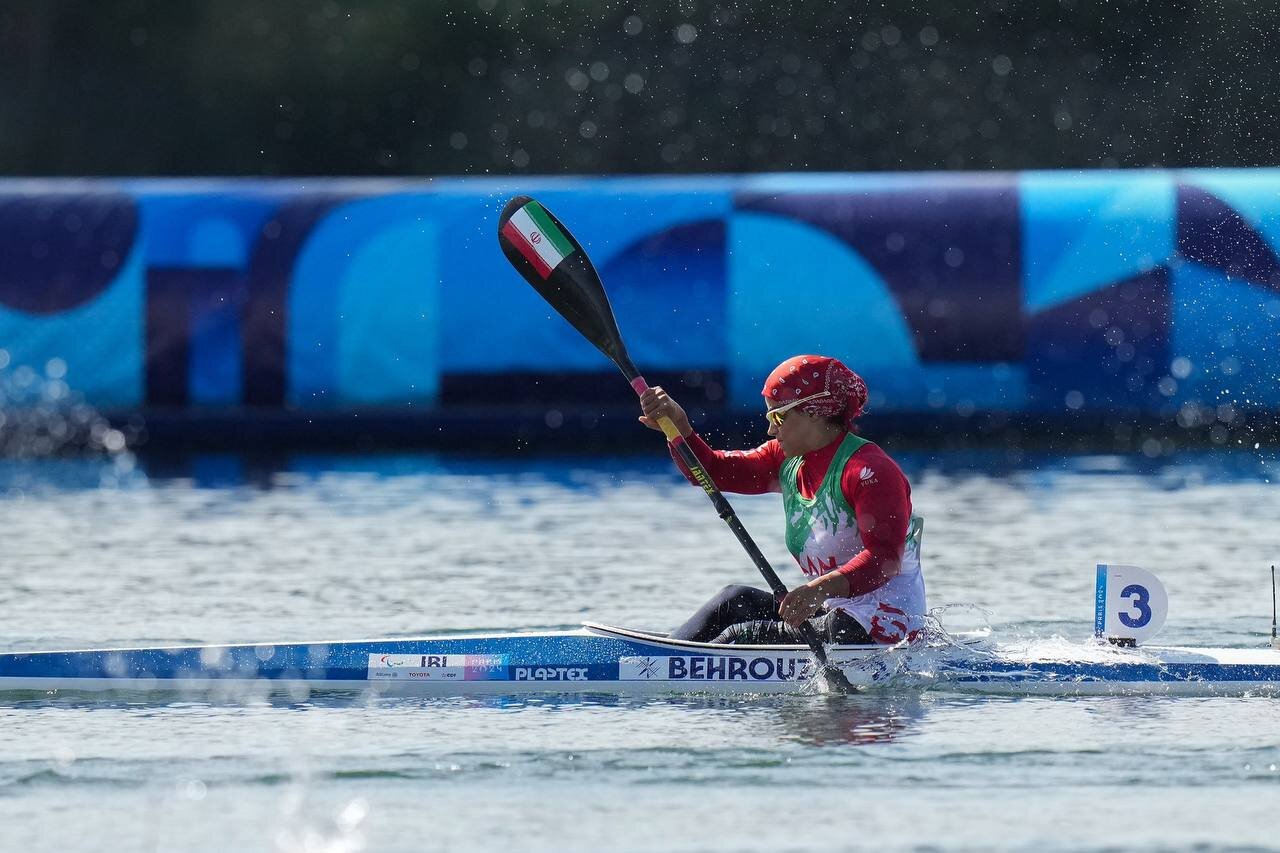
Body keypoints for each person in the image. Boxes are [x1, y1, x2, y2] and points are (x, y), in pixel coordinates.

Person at [638, 355, 925, 646]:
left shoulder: (869, 471)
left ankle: (668, 666)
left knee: (742, 636)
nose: (771, 430)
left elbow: (885, 559)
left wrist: (818, 589)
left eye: (779, 416)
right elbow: (711, 472)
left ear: (815, 411)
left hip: (885, 627)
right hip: (833, 613)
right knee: (733, 600)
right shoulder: (785, 459)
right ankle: (660, 654)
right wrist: (678, 427)